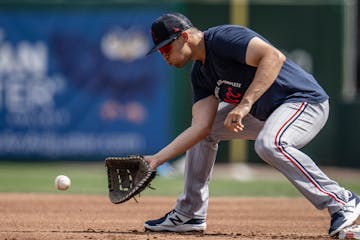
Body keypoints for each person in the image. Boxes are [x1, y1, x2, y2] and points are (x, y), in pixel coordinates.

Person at [144, 12, 360, 237]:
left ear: (184, 37)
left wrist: (244, 104)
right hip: (267, 112)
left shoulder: (222, 38)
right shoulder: (200, 74)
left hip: (303, 101)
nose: (163, 55)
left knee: (269, 144)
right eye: (160, 51)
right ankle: (189, 213)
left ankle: (343, 201)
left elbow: (274, 57)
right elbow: (200, 128)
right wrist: (157, 160)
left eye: (165, 48)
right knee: (204, 134)